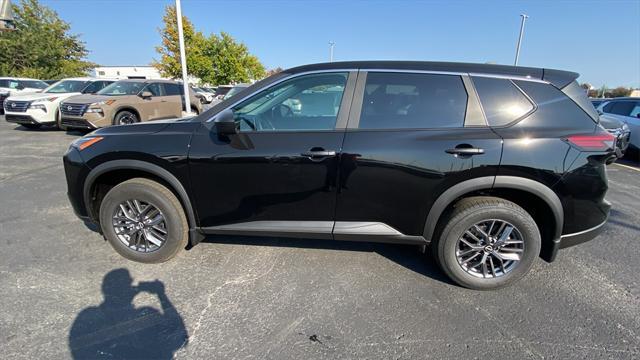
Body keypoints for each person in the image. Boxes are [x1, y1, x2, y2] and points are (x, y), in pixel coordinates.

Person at [68, 268, 188, 359]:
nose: (132, 285)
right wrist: (161, 294)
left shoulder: (88, 315)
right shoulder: (144, 313)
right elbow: (180, 337)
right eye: (129, 283)